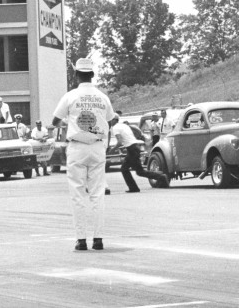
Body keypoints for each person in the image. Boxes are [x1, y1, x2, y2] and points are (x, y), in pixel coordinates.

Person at [52, 58, 116, 252]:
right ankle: (98, 239)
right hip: (97, 146)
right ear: (92, 75)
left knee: (78, 194)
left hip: (77, 147)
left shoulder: (71, 96)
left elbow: (55, 120)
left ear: (76, 75)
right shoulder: (102, 97)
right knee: (97, 194)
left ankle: (81, 240)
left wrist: (70, 124)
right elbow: (111, 120)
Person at [113, 112, 166, 193]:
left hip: (132, 149)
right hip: (134, 147)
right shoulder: (123, 125)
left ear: (113, 120)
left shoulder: (115, 128)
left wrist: (112, 149)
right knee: (138, 171)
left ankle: (160, 177)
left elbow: (119, 141)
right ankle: (161, 176)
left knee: (126, 169)